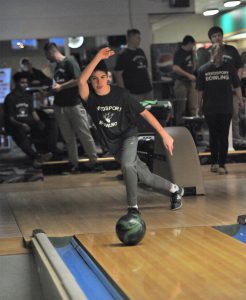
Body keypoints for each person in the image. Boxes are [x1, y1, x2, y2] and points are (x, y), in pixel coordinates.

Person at [79, 47, 184, 214]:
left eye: (102, 77)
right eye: (94, 79)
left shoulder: (122, 95)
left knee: (128, 165)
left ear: (108, 78)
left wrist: (164, 134)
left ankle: (133, 208)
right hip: (113, 144)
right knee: (145, 176)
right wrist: (98, 57)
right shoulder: (90, 99)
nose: (98, 82)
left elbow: (145, 113)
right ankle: (175, 190)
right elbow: (81, 81)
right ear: (91, 82)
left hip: (128, 136)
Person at [43, 42, 100, 173]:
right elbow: (59, 85)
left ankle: (94, 162)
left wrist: (61, 87)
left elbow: (79, 79)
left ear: (51, 51)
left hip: (74, 105)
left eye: (47, 55)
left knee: (84, 134)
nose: (47, 58)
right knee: (68, 138)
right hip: (60, 106)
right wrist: (50, 90)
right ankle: (74, 164)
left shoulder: (70, 61)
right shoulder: (57, 67)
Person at [197, 43, 243, 175]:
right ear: (211, 53)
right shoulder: (203, 69)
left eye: (220, 52)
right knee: (213, 135)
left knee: (223, 136)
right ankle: (214, 163)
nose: (218, 55)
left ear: (222, 53)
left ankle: (222, 164)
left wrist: (240, 100)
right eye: (215, 52)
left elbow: (237, 85)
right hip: (210, 107)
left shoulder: (229, 67)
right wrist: (198, 106)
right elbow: (200, 91)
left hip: (225, 106)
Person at [4, 72, 53, 167]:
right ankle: (36, 156)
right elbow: (11, 118)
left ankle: (48, 152)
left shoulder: (28, 97)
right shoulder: (10, 98)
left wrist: (39, 122)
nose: (25, 84)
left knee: (49, 125)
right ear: (16, 83)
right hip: (16, 125)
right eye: (22, 82)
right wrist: (21, 125)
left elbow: (33, 112)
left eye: (26, 82)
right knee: (20, 131)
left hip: (29, 122)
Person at [207, 26, 244, 145]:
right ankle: (218, 141)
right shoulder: (209, 53)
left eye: (219, 35)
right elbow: (205, 72)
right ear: (211, 39)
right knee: (217, 117)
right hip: (214, 91)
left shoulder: (231, 49)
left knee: (234, 115)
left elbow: (239, 67)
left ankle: (236, 139)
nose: (217, 38)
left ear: (222, 36)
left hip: (231, 89)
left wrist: (235, 83)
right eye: (214, 36)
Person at [114, 29, 153, 102]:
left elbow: (146, 69)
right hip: (134, 93)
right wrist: (123, 92)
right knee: (135, 112)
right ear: (131, 38)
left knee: (150, 111)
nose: (140, 39)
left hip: (147, 90)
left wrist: (150, 84)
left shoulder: (140, 51)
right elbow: (118, 74)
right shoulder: (123, 54)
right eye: (137, 37)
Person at [173, 35, 198, 125]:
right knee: (181, 106)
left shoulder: (191, 53)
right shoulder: (179, 53)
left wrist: (194, 56)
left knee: (193, 105)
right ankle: (180, 126)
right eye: (192, 45)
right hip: (181, 82)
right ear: (189, 43)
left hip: (191, 83)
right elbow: (176, 68)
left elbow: (194, 67)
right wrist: (188, 75)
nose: (193, 47)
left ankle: (195, 126)